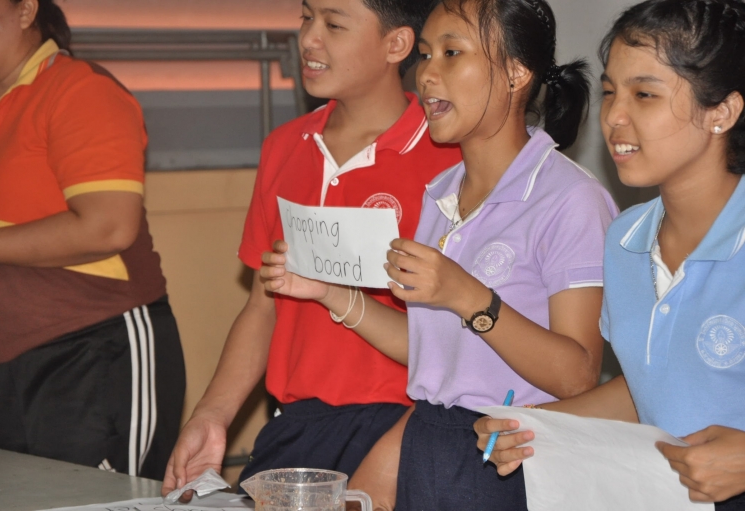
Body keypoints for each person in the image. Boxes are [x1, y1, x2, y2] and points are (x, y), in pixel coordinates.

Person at [261, 0, 619, 509]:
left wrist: (467, 296)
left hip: (512, 454)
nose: (427, 73)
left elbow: (578, 374)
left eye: (452, 53)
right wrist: (330, 293)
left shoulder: (569, 198)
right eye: (426, 54)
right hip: (430, 442)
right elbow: (436, 351)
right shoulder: (442, 192)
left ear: (516, 73)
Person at [161, 0, 462, 496]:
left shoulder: (447, 158)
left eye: (334, 24)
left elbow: (464, 330)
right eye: (306, 18)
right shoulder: (285, 146)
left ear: (396, 44)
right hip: (298, 427)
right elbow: (263, 306)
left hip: (406, 430)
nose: (308, 39)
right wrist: (212, 415)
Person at [476, 0, 745, 508]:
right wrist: (535, 424)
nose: (614, 116)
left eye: (644, 94)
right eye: (609, 92)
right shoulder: (625, 239)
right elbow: (649, 388)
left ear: (722, 112)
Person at [0, 0, 185, 480]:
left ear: (25, 10)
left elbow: (107, 226)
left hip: (94, 350)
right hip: (2, 359)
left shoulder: (78, 89)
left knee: (99, 501)